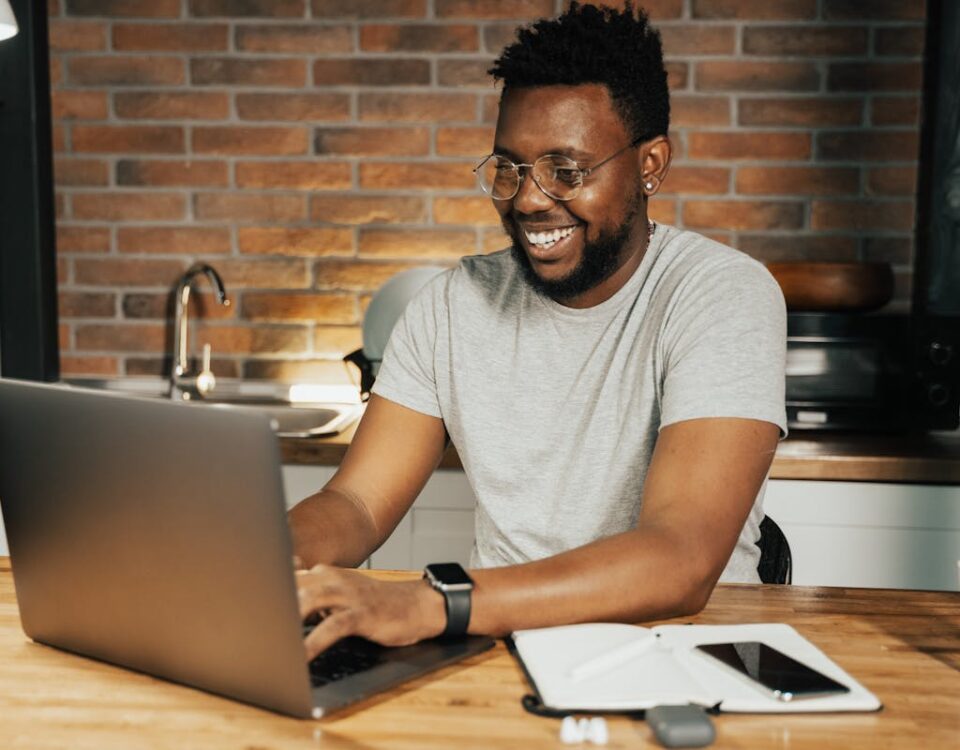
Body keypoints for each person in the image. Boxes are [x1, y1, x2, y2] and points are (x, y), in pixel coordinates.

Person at [289, 2, 786, 661]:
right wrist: (259, 559)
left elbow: (681, 559)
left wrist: (435, 602)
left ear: (650, 165)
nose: (527, 199)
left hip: (682, 653)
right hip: (496, 646)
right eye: (511, 167)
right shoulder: (450, 306)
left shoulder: (721, 295)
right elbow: (355, 502)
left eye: (566, 171)